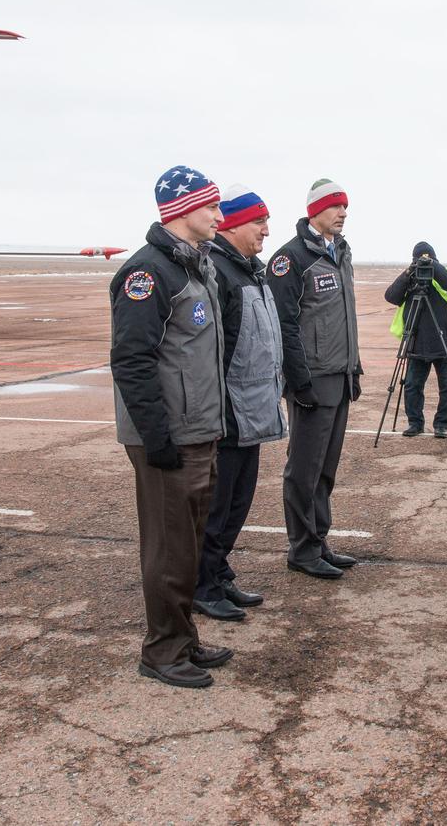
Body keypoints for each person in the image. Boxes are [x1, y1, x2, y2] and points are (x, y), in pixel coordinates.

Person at [110, 165, 234, 689]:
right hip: (168, 438)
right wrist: (157, 438)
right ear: (183, 209)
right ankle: (162, 651)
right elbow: (132, 360)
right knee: (167, 548)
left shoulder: (195, 267)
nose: (220, 216)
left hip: (199, 429)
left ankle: (183, 638)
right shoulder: (148, 273)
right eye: (212, 207)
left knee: (187, 543)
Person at [192, 185, 287, 622]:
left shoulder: (251, 270)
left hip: (253, 408)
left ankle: (219, 571)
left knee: (238, 502)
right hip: (229, 412)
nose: (267, 230)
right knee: (218, 505)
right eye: (258, 222)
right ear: (230, 224)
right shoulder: (220, 273)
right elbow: (211, 351)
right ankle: (202, 583)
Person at [266, 178, 362, 580]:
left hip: (339, 376)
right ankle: (301, 549)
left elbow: (344, 318)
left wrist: (353, 367)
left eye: (345, 208)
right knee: (303, 470)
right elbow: (284, 326)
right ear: (315, 211)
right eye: (335, 207)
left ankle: (319, 541)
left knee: (326, 468)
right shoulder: (291, 259)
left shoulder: (340, 253)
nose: (342, 214)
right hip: (312, 380)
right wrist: (298, 380)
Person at [383, 241, 447, 438]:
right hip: (417, 341)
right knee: (411, 385)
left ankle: (441, 424)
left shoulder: (446, 272)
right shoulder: (411, 276)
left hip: (446, 341)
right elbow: (391, 297)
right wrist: (408, 272)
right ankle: (415, 423)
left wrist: (434, 266)